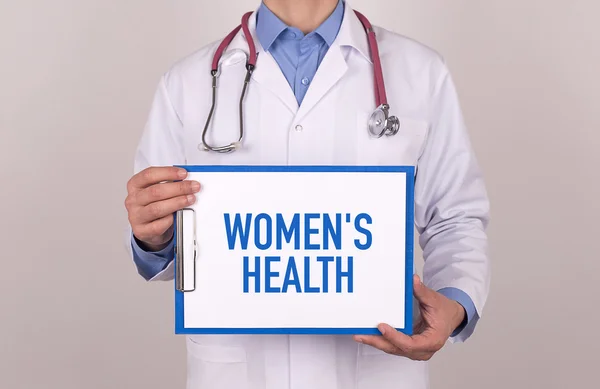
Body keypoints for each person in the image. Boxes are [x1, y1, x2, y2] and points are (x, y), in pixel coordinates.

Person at [124, 0, 491, 387]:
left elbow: (454, 217)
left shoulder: (420, 72)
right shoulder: (187, 83)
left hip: (375, 370)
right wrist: (153, 236)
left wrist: (455, 301)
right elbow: (162, 237)